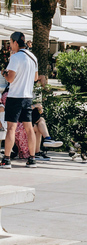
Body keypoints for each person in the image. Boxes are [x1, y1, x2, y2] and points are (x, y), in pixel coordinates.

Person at [1, 32, 39, 169]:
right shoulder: (33, 57)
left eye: (10, 43)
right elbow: (35, 78)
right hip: (27, 97)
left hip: (15, 97)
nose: (10, 46)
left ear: (16, 42)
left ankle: (6, 160)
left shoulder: (15, 57)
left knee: (11, 128)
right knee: (29, 129)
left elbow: (10, 79)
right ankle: (32, 158)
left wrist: (4, 73)